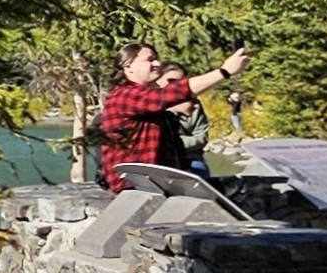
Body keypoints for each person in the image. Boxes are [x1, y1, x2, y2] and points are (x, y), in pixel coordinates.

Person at [98, 41, 245, 189]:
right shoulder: (124, 96)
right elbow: (172, 94)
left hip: (155, 183)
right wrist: (224, 71)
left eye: (156, 58)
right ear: (127, 66)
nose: (157, 63)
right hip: (134, 186)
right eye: (150, 60)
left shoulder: (147, 100)